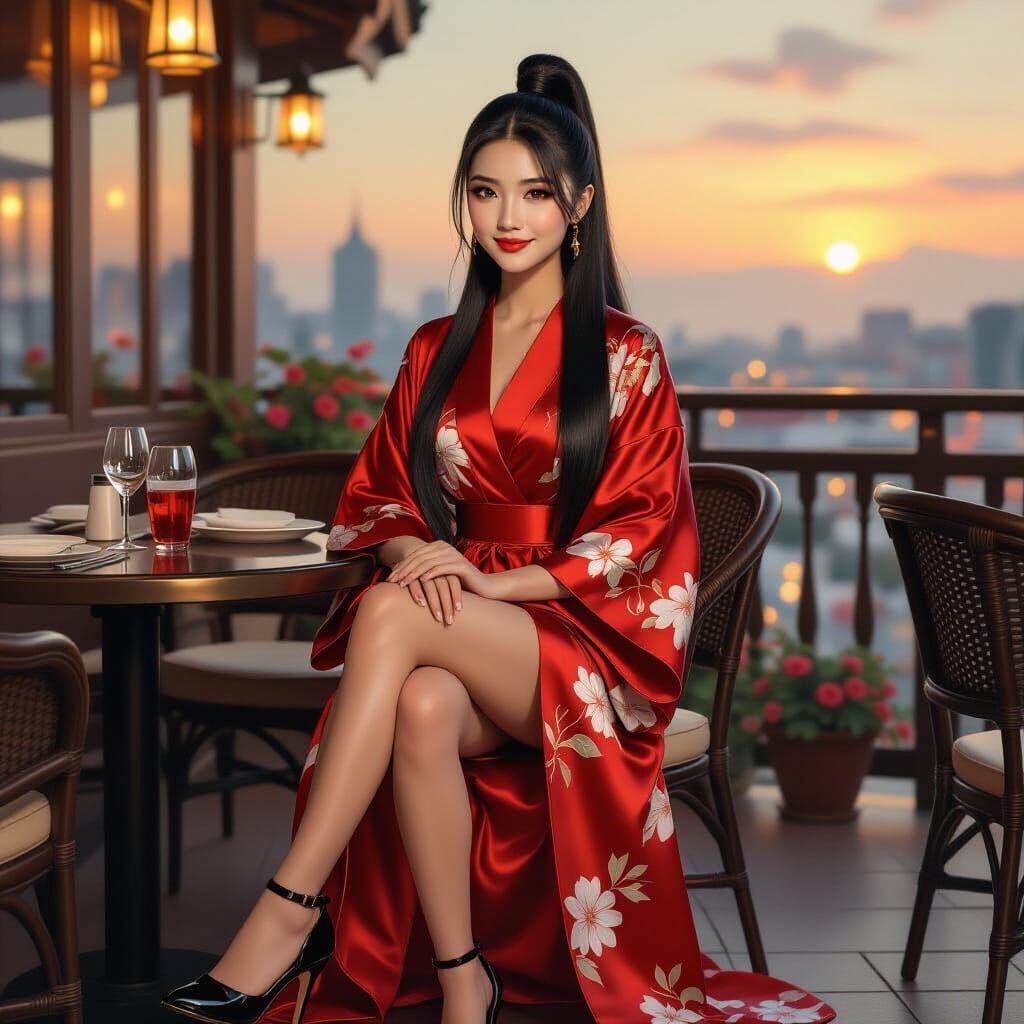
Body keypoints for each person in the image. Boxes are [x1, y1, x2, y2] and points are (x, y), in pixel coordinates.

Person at [162, 53, 836, 1024]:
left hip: (577, 630)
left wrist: (493, 586)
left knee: (392, 618)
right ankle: (462, 978)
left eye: (535, 193)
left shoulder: (626, 353)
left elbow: (642, 529)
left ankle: (289, 908)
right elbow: (380, 494)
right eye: (485, 192)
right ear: (464, 203)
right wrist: (416, 555)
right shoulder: (434, 346)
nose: (507, 217)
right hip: (454, 607)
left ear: (580, 205)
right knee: (424, 702)